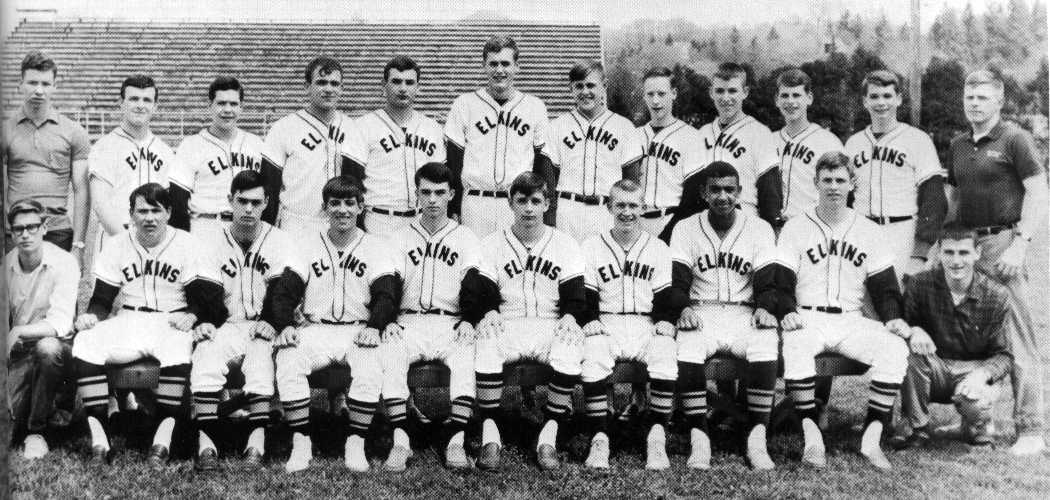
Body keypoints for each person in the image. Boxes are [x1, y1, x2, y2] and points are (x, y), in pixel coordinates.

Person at [71, 183, 226, 467]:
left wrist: (192, 315)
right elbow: (102, 299)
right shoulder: (118, 244)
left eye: (156, 210)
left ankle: (162, 439)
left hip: (170, 318)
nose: (149, 218)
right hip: (130, 318)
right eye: (142, 211)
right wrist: (92, 315)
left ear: (168, 212)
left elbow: (204, 298)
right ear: (131, 214)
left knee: (178, 348)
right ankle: (100, 440)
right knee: (85, 341)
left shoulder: (186, 243)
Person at [773, 152, 911, 470]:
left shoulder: (869, 230)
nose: (833, 187)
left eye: (840, 181)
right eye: (827, 180)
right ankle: (811, 436)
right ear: (816, 183)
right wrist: (787, 311)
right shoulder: (796, 227)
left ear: (852, 184)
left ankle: (871, 438)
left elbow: (885, 286)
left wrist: (892, 318)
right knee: (796, 345)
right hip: (808, 316)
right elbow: (781, 281)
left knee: (893, 347)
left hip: (850, 319)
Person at [945, 69, 1048, 455]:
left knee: (1018, 337)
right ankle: (974, 418)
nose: (975, 103)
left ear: (999, 101)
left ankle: (1031, 429)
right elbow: (954, 201)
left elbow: (1039, 195)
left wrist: (1020, 244)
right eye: (970, 97)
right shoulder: (957, 144)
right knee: (973, 337)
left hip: (1003, 241)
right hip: (967, 248)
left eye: (983, 97)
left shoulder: (1015, 139)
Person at [269, 175, 400, 473]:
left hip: (357, 328)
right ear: (325, 208)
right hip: (317, 328)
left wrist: (374, 327)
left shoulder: (375, 246)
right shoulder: (305, 244)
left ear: (361, 207)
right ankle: (301, 440)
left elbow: (386, 295)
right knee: (289, 357)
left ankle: (355, 440)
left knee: (370, 363)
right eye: (335, 203)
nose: (342, 210)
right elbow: (285, 290)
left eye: (349, 203)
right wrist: (285, 324)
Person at [669, 162, 780, 470]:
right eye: (715, 189)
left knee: (766, 339)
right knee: (688, 343)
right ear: (704, 193)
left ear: (739, 193)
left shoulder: (759, 228)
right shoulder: (686, 227)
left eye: (729, 190)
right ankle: (699, 435)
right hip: (702, 309)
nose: (722, 196)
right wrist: (684, 309)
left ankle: (757, 436)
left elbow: (767, 281)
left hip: (743, 311)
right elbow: (677, 281)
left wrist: (764, 307)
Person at [473, 172, 587, 471]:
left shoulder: (565, 243)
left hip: (548, 322)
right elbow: (482, 289)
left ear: (547, 204)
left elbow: (576, 294)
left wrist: (571, 316)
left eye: (536, 201)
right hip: (507, 321)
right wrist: (488, 310)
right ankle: (490, 432)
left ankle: (549, 433)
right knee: (485, 339)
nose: (529, 208)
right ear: (510, 203)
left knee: (571, 342)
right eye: (522, 201)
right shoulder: (491, 243)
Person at [379, 162, 487, 470]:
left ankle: (456, 439)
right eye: (425, 192)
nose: (433, 200)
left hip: (448, 320)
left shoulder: (465, 237)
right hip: (409, 320)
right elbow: (388, 285)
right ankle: (401, 440)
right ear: (417, 194)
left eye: (440, 192)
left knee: (466, 351)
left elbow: (472, 285)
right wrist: (387, 321)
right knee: (392, 351)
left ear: (452, 194)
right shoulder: (400, 237)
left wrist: (468, 319)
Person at [188, 170, 296, 471]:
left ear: (266, 203)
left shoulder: (280, 240)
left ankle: (256, 442)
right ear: (230, 201)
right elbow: (205, 291)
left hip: (263, 324)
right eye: (242, 201)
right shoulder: (210, 240)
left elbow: (283, 291)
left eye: (256, 202)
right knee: (206, 353)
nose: (249, 209)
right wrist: (207, 322)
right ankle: (206, 444)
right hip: (228, 324)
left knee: (261, 356)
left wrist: (271, 321)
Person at [578, 179, 685, 469]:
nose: (627, 212)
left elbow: (665, 295)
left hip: (644, 322)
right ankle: (600, 437)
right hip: (608, 322)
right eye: (621, 205)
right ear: (609, 206)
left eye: (633, 205)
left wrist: (664, 320)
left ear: (643, 208)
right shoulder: (591, 245)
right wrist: (590, 320)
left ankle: (657, 435)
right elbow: (586, 294)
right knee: (593, 355)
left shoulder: (658, 247)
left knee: (665, 351)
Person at [890, 224, 1015, 449]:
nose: (956, 261)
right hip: (934, 368)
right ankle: (917, 428)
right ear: (939, 252)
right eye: (949, 252)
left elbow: (1004, 356)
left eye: (964, 252)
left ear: (977, 253)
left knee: (976, 412)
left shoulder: (997, 295)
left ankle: (977, 427)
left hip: (972, 372)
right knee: (908, 353)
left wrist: (982, 374)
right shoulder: (920, 284)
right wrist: (913, 331)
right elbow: (901, 327)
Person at [444, 35, 555, 237]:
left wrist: (547, 213)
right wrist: (453, 208)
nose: (499, 70)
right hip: (475, 203)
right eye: (493, 64)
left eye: (505, 63)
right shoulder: (464, 104)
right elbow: (453, 162)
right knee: (474, 263)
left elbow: (543, 164)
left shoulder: (534, 106)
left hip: (518, 202)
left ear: (516, 67)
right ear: (484, 66)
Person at [843, 70, 947, 279]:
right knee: (860, 302)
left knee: (902, 301)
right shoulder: (853, 144)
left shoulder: (917, 139)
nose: (881, 103)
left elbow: (934, 199)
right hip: (861, 231)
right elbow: (846, 197)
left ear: (898, 99)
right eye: (874, 96)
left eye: (887, 96)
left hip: (901, 233)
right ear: (865, 101)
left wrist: (919, 253)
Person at [5, 199, 79, 459]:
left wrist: (19, 331)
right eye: (18, 229)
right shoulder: (6, 266)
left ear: (45, 227)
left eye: (32, 227)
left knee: (47, 348)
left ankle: (38, 432)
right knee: (10, 423)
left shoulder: (65, 262)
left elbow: (61, 323)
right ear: (11, 232)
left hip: (59, 352)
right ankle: (28, 413)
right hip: (19, 353)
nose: (25, 234)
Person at [168, 76, 280, 246]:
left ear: (241, 107)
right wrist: (183, 244)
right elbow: (178, 202)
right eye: (221, 103)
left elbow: (270, 197)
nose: (227, 110)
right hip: (207, 227)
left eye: (234, 104)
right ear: (210, 106)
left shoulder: (257, 145)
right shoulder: (191, 145)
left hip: (249, 229)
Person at [343, 56, 446, 237]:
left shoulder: (432, 128)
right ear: (384, 86)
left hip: (421, 220)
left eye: (409, 82)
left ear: (417, 87)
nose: (403, 88)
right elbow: (351, 180)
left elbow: (441, 180)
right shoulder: (363, 126)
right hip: (379, 220)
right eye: (396, 82)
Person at [3, 51, 91, 261]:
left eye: (45, 84)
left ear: (55, 86)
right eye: (32, 83)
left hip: (57, 230)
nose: (39, 91)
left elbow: (82, 191)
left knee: (57, 293)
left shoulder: (73, 131)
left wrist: (78, 245)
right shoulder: (5, 131)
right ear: (20, 84)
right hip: (16, 230)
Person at [548, 60, 643, 241]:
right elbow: (549, 180)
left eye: (591, 85)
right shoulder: (557, 126)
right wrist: (550, 219)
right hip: (568, 209)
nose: (585, 92)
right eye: (579, 86)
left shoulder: (624, 127)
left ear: (604, 86)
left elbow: (631, 181)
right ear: (571, 89)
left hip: (606, 211)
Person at [264, 57, 357, 238]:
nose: (328, 89)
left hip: (340, 224)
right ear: (307, 86)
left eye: (334, 83)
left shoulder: (352, 128)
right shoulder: (284, 127)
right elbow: (269, 187)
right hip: (297, 224)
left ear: (341, 88)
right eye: (321, 82)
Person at [88, 75, 177, 250]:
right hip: (115, 239)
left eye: (147, 100)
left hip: (156, 242)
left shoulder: (165, 152)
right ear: (121, 103)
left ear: (155, 106)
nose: (140, 105)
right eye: (134, 99)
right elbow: (100, 204)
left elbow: (169, 206)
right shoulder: (105, 146)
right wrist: (129, 243)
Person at [695, 62, 781, 225]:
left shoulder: (759, 133)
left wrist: (771, 228)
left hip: (746, 220)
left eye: (732, 91)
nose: (726, 98)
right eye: (720, 91)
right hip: (706, 221)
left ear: (745, 92)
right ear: (711, 93)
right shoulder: (702, 134)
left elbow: (770, 192)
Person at [635, 67, 707, 238]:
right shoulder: (634, 136)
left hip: (672, 221)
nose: (655, 101)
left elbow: (693, 197)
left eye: (661, 94)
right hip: (636, 223)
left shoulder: (691, 137)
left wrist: (669, 234)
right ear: (644, 96)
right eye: (650, 94)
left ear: (674, 93)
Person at [771, 67, 843, 222]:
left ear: (809, 98)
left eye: (796, 95)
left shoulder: (828, 142)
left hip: (811, 226)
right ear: (777, 100)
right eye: (785, 96)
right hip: (774, 229)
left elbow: (841, 192)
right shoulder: (768, 141)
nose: (790, 102)